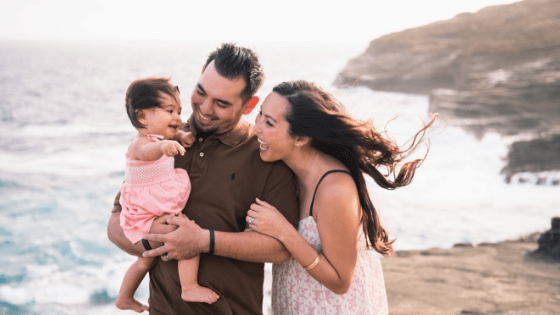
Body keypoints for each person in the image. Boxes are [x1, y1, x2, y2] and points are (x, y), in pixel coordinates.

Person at [107, 43, 299, 315]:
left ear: (249, 105)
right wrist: (151, 239)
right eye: (201, 92)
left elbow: (281, 248)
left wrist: (203, 241)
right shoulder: (162, 141)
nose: (205, 109)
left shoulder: (265, 155)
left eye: (221, 103)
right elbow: (116, 223)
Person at [247, 80, 437, 314]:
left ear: (300, 138)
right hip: (296, 305)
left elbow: (341, 280)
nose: (256, 127)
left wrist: (284, 231)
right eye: (259, 115)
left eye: (269, 123)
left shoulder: (335, 189)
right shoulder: (286, 171)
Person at [115, 77, 220, 312]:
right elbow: (149, 152)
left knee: (144, 260)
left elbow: (169, 139)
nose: (177, 118)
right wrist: (164, 147)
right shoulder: (140, 144)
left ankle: (124, 298)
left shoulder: (161, 137)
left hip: (153, 202)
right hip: (149, 206)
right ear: (142, 117)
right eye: (169, 111)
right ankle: (189, 286)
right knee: (185, 235)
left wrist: (181, 137)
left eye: (179, 111)